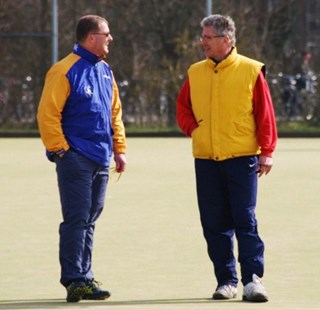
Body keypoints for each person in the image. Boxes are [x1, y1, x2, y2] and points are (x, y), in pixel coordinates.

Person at [176, 14, 277, 303]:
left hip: (241, 157)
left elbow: (265, 113)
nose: (202, 42)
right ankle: (226, 281)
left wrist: (267, 151)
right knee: (213, 222)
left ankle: (252, 281)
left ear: (226, 40)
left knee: (244, 219)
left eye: (208, 37)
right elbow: (183, 106)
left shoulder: (250, 70)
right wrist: (194, 130)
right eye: (203, 36)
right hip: (206, 158)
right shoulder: (195, 71)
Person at [37, 15, 127, 303]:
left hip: (101, 158)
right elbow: (47, 114)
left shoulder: (105, 70)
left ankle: (85, 277)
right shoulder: (63, 70)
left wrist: (119, 149)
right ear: (91, 37)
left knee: (90, 219)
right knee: (76, 219)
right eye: (106, 33)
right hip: (75, 157)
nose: (110, 38)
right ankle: (74, 279)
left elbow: (115, 113)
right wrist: (61, 150)